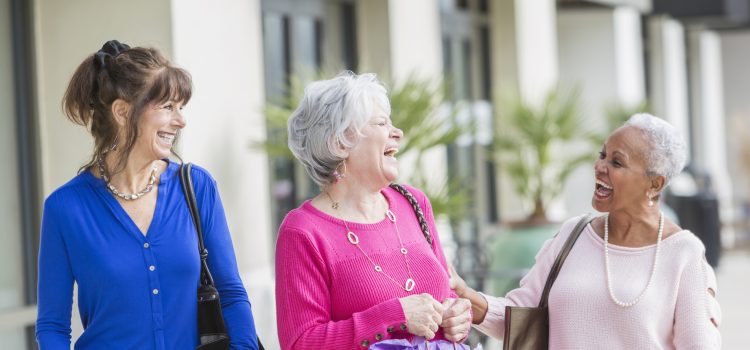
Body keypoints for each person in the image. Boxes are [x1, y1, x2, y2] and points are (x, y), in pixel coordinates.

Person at [35, 40, 259, 349]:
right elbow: (52, 326)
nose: (180, 121)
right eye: (168, 107)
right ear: (123, 112)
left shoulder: (197, 187)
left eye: (180, 107)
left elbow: (231, 293)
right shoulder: (66, 208)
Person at [451, 113, 722, 349]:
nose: (600, 166)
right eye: (602, 154)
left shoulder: (684, 253)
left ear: (655, 183)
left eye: (617, 162)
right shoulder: (573, 235)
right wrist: (467, 296)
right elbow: (520, 315)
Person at [275, 72, 473, 349]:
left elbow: (447, 295)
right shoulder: (303, 231)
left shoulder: (413, 203)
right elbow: (301, 343)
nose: (398, 132)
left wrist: (459, 317)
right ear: (340, 142)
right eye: (381, 123)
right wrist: (395, 316)